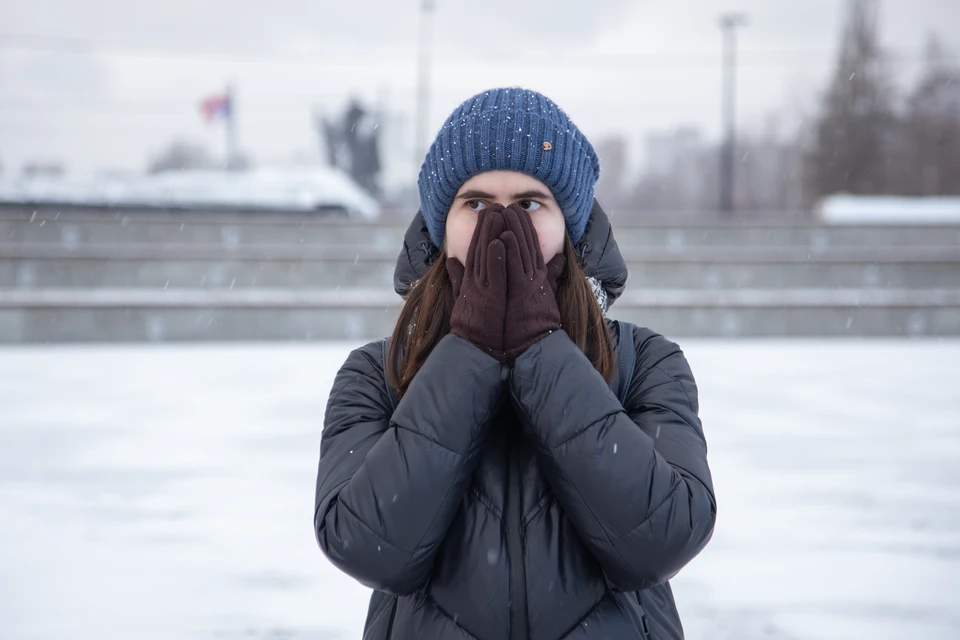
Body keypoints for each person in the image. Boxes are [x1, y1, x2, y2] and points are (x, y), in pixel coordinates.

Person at [314, 87, 716, 640]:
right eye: (475, 203)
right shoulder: (376, 373)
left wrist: (540, 348)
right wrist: (470, 351)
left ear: (569, 227)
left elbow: (664, 536)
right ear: (441, 225)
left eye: (529, 204)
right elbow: (365, 544)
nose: (501, 226)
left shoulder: (645, 361)